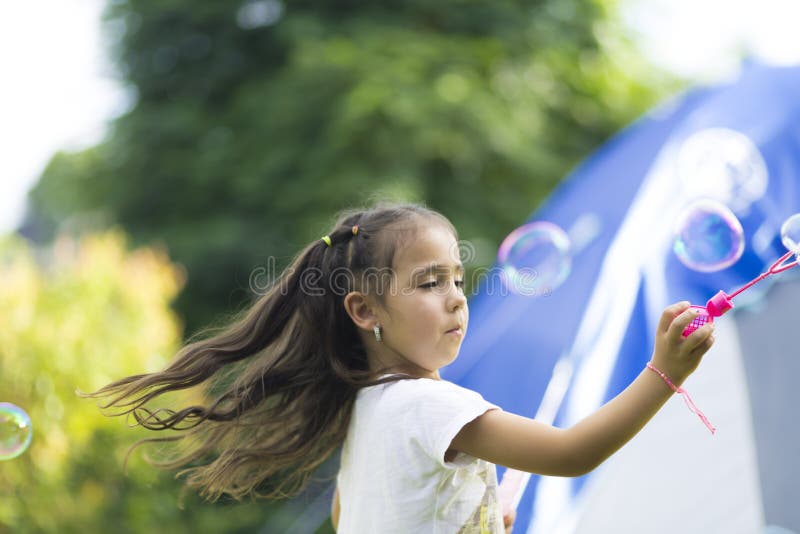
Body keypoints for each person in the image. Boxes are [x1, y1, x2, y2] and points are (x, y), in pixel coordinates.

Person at [85, 201, 715, 534]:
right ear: (365, 309)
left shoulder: (364, 407)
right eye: (429, 281)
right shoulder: (431, 405)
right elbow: (573, 453)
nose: (456, 297)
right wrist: (664, 372)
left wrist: (471, 517)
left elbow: (351, 518)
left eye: (458, 280)